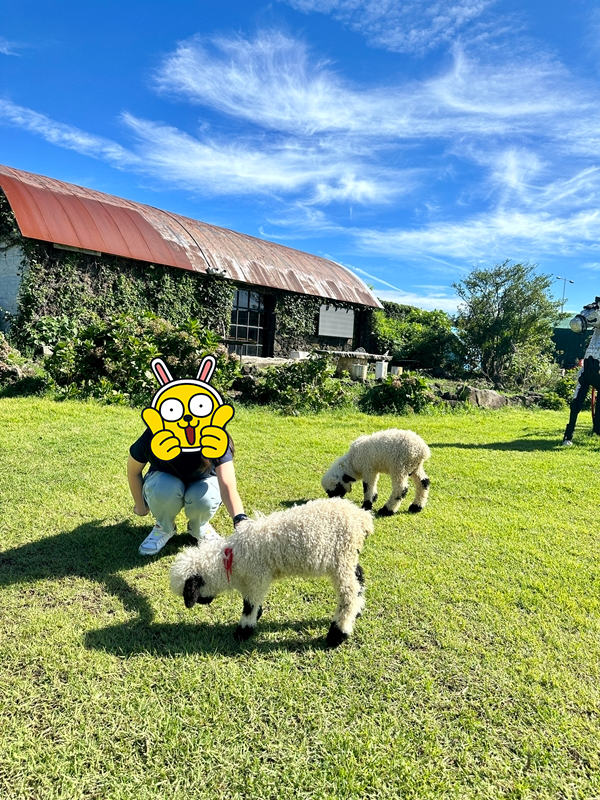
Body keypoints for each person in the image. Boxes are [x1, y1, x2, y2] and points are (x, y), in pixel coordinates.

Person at [127, 426, 248, 556]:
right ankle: (164, 527)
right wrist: (141, 506)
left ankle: (199, 527)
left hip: (202, 485)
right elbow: (133, 471)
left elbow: (227, 487)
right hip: (163, 482)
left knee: (206, 497)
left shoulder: (215, 436)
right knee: (163, 488)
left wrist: (240, 520)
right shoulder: (154, 433)